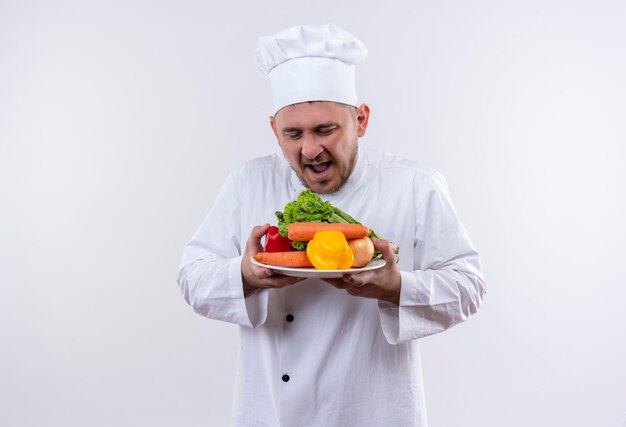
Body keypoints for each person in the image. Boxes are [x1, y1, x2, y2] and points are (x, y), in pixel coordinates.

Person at [177, 24, 486, 427]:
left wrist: (395, 288)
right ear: (274, 129)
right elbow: (191, 277)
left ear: (361, 120)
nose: (310, 149)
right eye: (293, 133)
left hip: (376, 410)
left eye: (326, 129)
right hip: (273, 411)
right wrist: (245, 275)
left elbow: (468, 285)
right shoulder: (248, 182)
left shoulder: (413, 184)